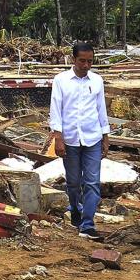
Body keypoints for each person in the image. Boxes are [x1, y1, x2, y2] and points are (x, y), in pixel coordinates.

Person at [49, 42, 110, 240]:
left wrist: (105, 136)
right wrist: (58, 137)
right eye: (82, 61)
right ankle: (75, 207)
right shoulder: (61, 80)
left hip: (92, 137)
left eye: (90, 61)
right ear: (74, 59)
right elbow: (56, 109)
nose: (86, 65)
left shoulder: (97, 81)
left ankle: (87, 225)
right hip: (70, 139)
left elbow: (101, 109)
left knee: (92, 183)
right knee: (74, 182)